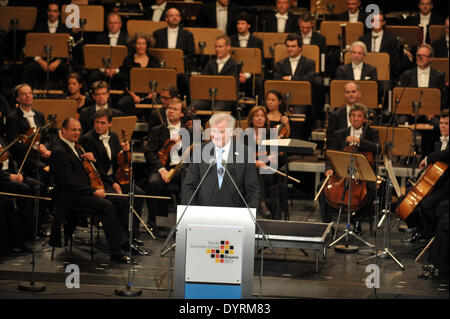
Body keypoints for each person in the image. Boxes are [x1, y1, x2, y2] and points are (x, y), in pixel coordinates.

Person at [49, 117, 134, 263]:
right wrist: (93, 192)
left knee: (121, 201)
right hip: (70, 197)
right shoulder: (59, 150)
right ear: (63, 130)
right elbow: (68, 181)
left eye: (78, 130)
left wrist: (92, 162)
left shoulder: (76, 147)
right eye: (73, 130)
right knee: (106, 205)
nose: (77, 133)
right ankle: (116, 251)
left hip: (82, 193)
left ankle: (125, 243)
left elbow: (88, 173)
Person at [79, 109, 149, 250]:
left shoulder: (114, 136)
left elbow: (118, 162)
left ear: (110, 124)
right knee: (122, 200)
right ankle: (123, 240)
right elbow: (95, 168)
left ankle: (132, 236)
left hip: (114, 178)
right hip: (100, 180)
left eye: (103, 123)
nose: (99, 126)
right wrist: (114, 183)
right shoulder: (87, 139)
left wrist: (125, 152)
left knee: (139, 194)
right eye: (96, 122)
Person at [318, 104, 380, 234]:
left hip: (362, 176)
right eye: (353, 116)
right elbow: (330, 154)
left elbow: (377, 148)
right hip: (342, 174)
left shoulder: (371, 133)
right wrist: (329, 169)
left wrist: (359, 141)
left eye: (359, 116)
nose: (356, 119)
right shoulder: (339, 134)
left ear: (364, 119)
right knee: (321, 187)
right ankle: (327, 224)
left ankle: (357, 220)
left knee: (372, 190)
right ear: (349, 118)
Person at [181, 113, 260, 208]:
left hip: (235, 214)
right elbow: (189, 186)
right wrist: (192, 211)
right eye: (214, 131)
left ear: (231, 132)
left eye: (221, 132)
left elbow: (253, 190)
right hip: (203, 213)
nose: (216, 135)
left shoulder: (245, 152)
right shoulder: (200, 151)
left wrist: (247, 215)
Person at [145, 98, 192, 232]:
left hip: (181, 169)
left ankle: (185, 222)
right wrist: (161, 169)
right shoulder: (157, 130)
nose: (171, 111)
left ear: (182, 114)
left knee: (188, 184)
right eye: (169, 108)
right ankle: (152, 220)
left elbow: (194, 154)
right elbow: (149, 153)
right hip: (163, 168)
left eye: (175, 109)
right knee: (153, 182)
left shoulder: (188, 131)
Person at [404, 109, 449, 243]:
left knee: (426, 204)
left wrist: (428, 158)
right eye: (441, 123)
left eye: (446, 123)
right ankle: (421, 230)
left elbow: (446, 154)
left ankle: (433, 235)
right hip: (436, 182)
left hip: (447, 185)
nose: (443, 126)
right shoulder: (439, 142)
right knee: (410, 198)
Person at [273, 33, 323, 133]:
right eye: (288, 46)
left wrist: (291, 78)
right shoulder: (280, 64)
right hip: (283, 99)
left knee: (298, 119)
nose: (290, 49)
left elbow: (309, 78)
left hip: (301, 99)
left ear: (300, 48)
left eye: (293, 46)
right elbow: (276, 79)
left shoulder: (309, 63)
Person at [243, 106, 286, 219]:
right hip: (251, 171)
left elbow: (278, 159)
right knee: (257, 170)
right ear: (251, 119)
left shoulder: (270, 136)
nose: (259, 118)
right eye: (256, 116)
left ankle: (262, 204)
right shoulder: (245, 136)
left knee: (261, 170)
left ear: (266, 119)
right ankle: (262, 203)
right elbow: (241, 157)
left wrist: (270, 158)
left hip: (269, 172)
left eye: (262, 116)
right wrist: (254, 162)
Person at [6, 84, 52, 178]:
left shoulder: (39, 115)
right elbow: (15, 144)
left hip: (42, 153)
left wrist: (44, 146)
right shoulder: (12, 117)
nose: (28, 96)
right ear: (18, 98)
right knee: (45, 169)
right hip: (26, 156)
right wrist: (38, 151)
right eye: (24, 94)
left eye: (30, 93)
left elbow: (47, 137)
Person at [22, 2, 70, 89]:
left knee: (67, 69)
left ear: (59, 13)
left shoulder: (64, 28)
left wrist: (57, 62)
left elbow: (67, 48)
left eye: (55, 11)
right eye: (50, 11)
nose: (52, 14)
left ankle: (66, 96)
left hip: (57, 62)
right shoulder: (39, 26)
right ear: (47, 12)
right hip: (41, 61)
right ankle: (28, 93)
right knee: (27, 69)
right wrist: (41, 62)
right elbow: (33, 45)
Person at [190, 35, 240, 111]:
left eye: (220, 47)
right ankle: (197, 123)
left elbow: (231, 86)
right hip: (208, 98)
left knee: (215, 112)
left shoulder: (234, 64)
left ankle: (209, 123)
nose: (217, 49)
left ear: (228, 47)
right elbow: (203, 80)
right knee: (192, 109)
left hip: (225, 99)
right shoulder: (210, 63)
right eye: (216, 47)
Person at [116, 32, 160, 116]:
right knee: (123, 103)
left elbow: (158, 79)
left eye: (143, 43)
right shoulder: (128, 60)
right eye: (139, 43)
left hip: (151, 94)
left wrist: (153, 93)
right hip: (132, 93)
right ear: (134, 45)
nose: (141, 46)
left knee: (159, 106)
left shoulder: (154, 61)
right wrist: (134, 96)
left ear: (147, 45)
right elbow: (124, 80)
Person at [229, 12, 264, 104]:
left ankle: (256, 109)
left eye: (242, 23)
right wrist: (238, 74)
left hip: (251, 74)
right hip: (234, 72)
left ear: (248, 25)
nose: (239, 26)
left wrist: (246, 75)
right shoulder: (230, 40)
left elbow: (259, 61)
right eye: (238, 23)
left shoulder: (257, 41)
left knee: (258, 82)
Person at [88, 12, 128, 88]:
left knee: (124, 78)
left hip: (119, 70)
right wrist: (104, 70)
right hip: (103, 69)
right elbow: (96, 57)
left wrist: (116, 70)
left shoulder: (127, 39)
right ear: (107, 25)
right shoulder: (99, 38)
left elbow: (128, 58)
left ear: (120, 25)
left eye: (115, 23)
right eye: (110, 23)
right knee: (93, 77)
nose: (113, 26)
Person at [358, 12, 400, 82]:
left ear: (383, 22)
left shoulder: (391, 40)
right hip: (366, 74)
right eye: (374, 21)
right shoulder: (363, 39)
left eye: (379, 21)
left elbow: (394, 61)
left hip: (384, 76)